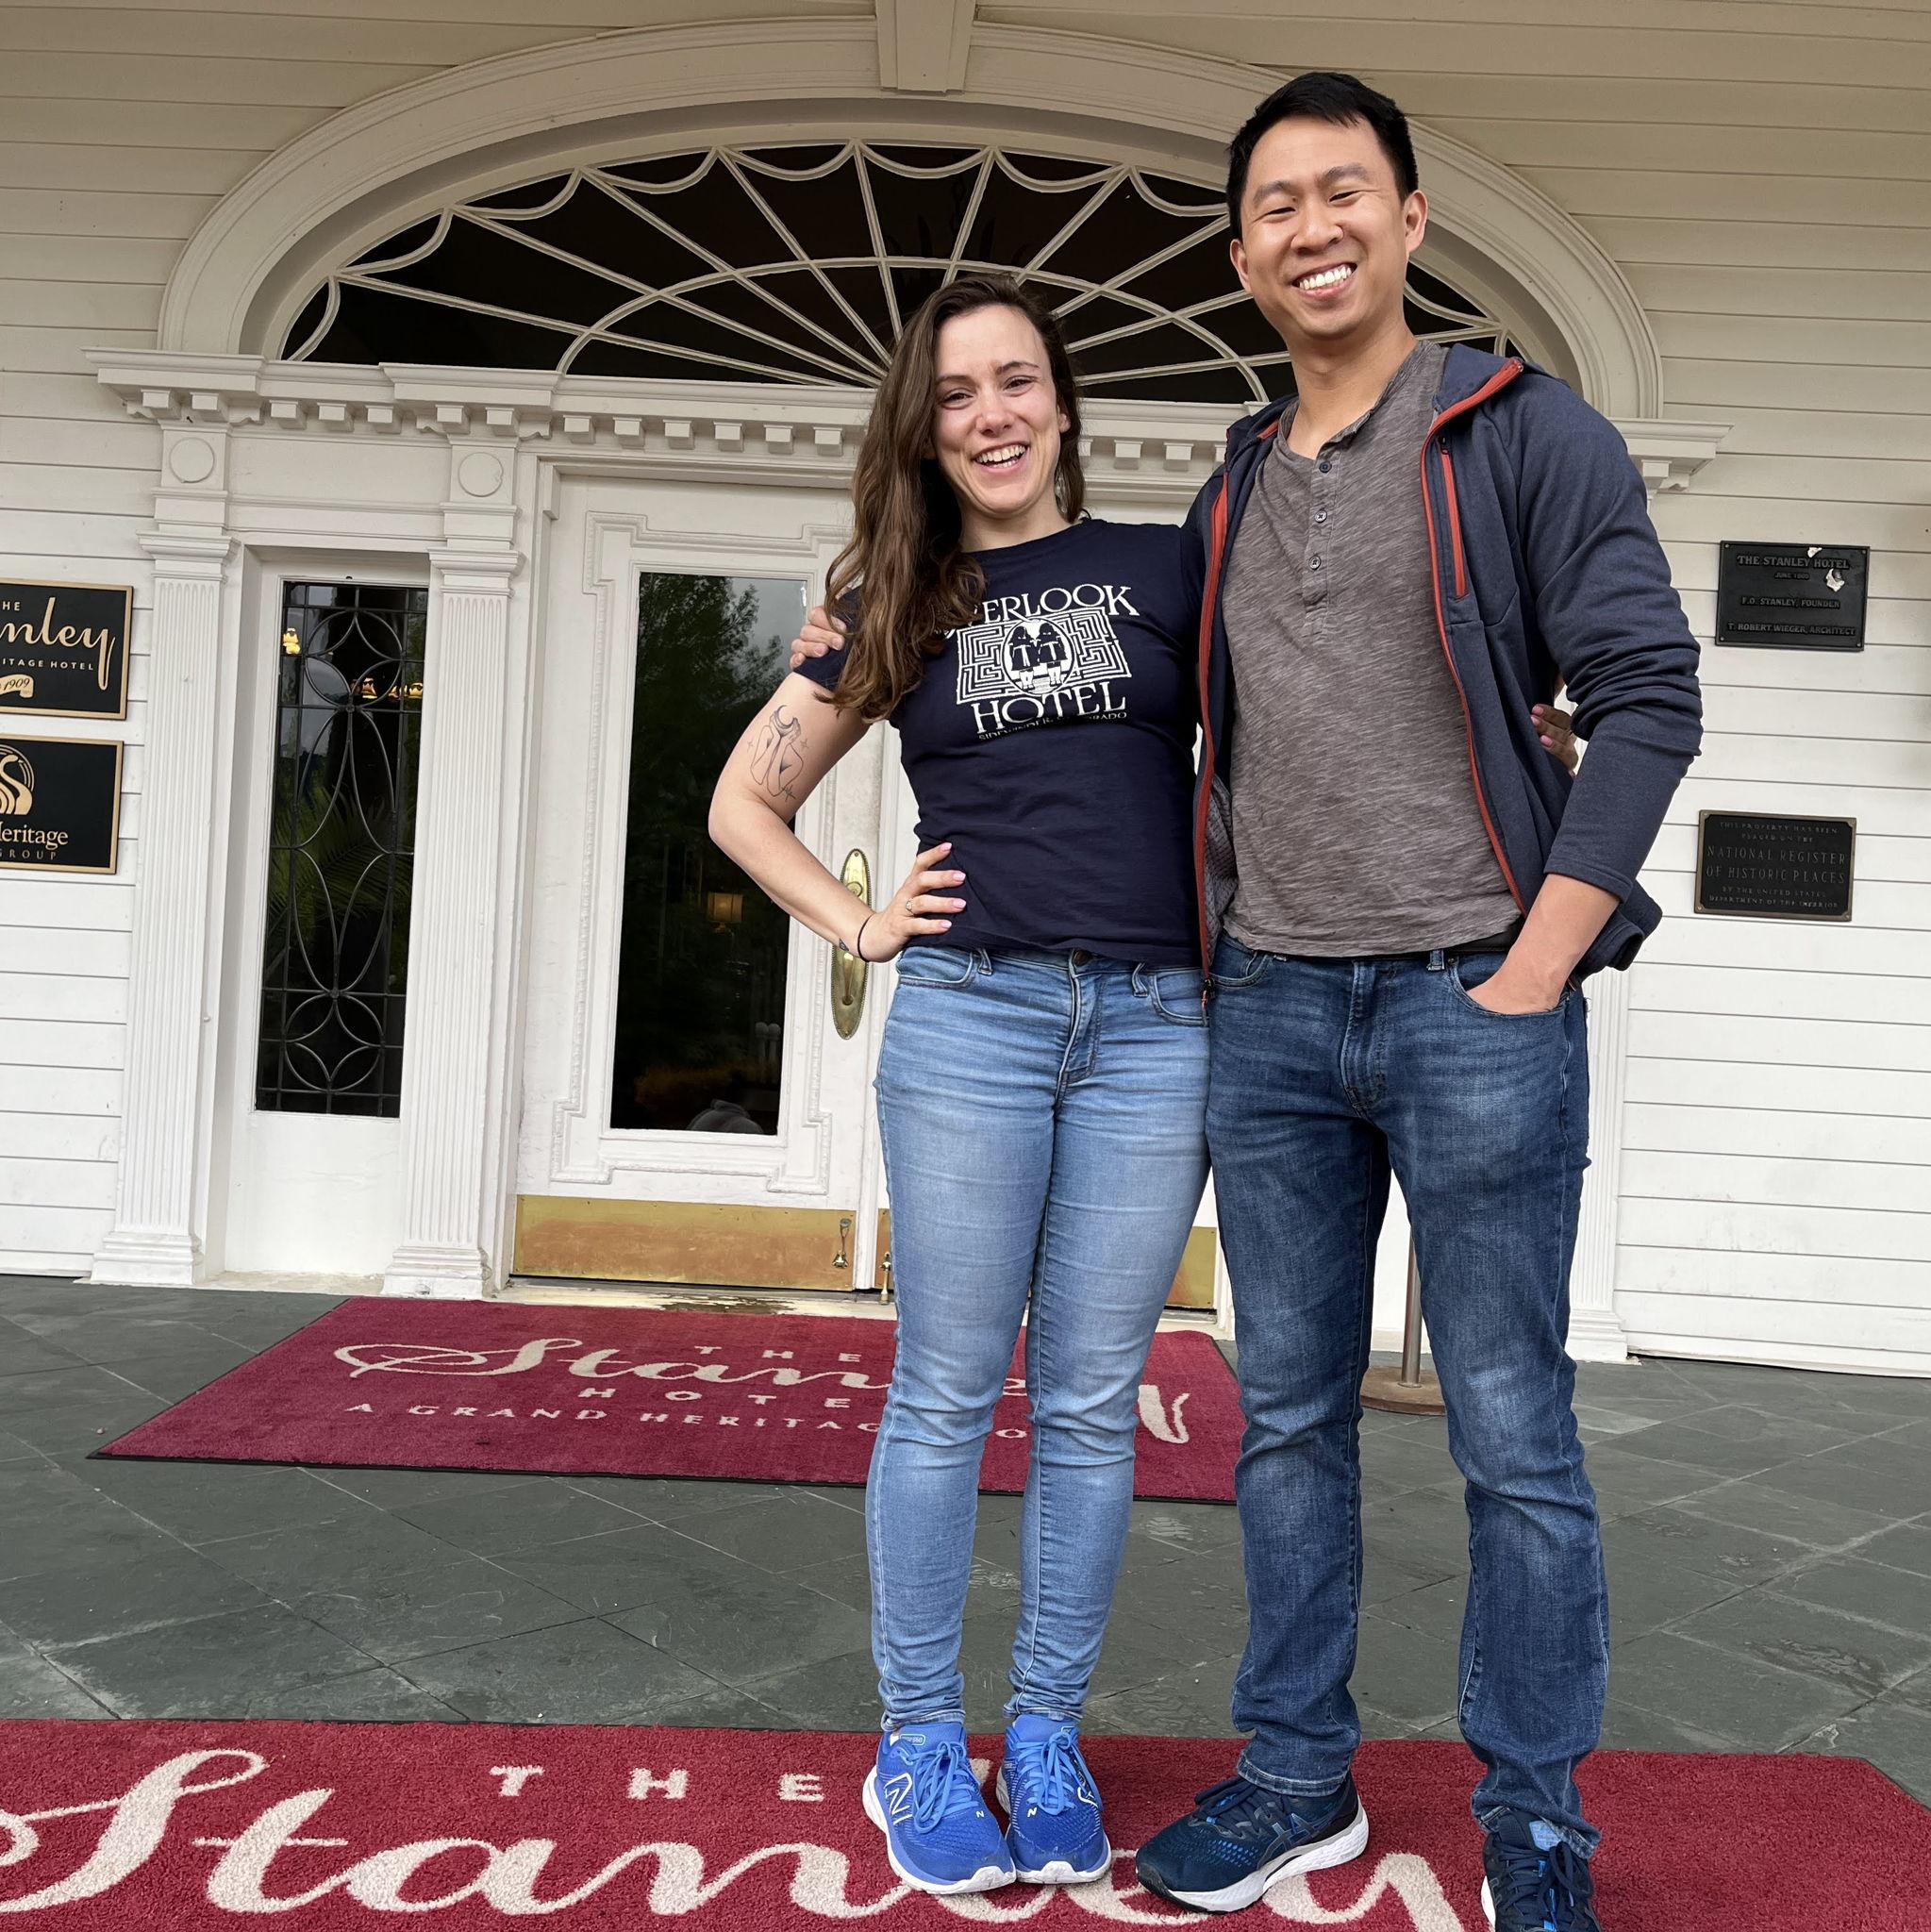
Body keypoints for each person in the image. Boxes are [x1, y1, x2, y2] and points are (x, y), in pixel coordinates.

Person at [1122, 75, 1701, 1930]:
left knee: (1512, 1428)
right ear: (1240, 254)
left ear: (1411, 218)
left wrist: (1535, 967)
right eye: (1276, 205)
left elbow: (1648, 699)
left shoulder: (1524, 436)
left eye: (1343, 191)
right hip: (1273, 1015)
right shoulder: (1227, 479)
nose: (1312, 227)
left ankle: (1534, 1825)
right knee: (1279, 1415)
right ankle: (1296, 1775)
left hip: (1472, 999)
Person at [708, 274, 1215, 1898]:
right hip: (975, 1020)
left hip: (1158, 1023)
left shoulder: (1168, 570)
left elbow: (1302, 723)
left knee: (1087, 1401)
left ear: (1064, 402)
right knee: (943, 1389)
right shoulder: (891, 600)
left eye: (1017, 381)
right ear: (922, 431)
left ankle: (1047, 1728)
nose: (991, 414)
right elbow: (743, 804)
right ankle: (919, 1736)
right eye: (954, 394)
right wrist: (861, 918)